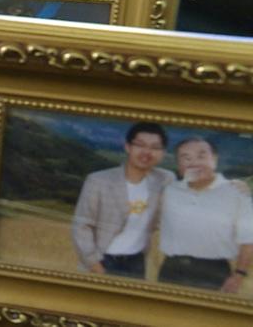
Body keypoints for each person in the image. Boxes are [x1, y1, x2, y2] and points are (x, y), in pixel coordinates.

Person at [72, 122, 175, 279]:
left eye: (155, 147)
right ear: (128, 147)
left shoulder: (164, 179)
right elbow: (82, 226)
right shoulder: (98, 180)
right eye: (140, 145)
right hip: (103, 260)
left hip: (137, 261)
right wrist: (95, 265)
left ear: (162, 153)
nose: (147, 152)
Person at [157, 137, 253, 292]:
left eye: (201, 156)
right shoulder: (170, 190)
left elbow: (248, 240)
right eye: (186, 158)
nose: (194, 163)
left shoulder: (237, 193)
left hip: (214, 272)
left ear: (214, 159)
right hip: (170, 269)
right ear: (179, 164)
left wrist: (239, 275)